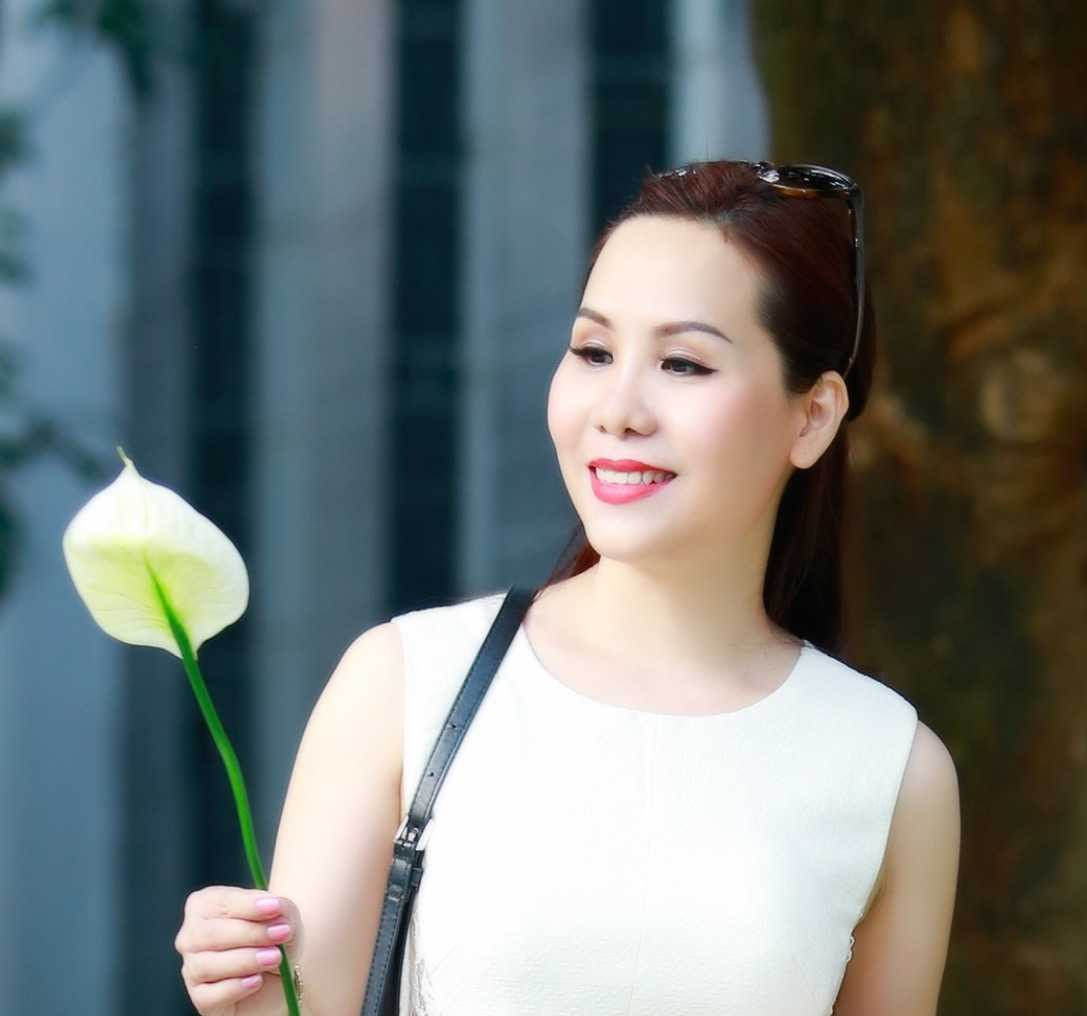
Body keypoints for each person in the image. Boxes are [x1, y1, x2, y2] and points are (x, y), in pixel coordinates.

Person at [174, 159, 961, 1016]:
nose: (617, 409)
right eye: (593, 351)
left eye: (683, 364)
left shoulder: (891, 771)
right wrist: (240, 989)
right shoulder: (408, 681)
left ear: (811, 416)